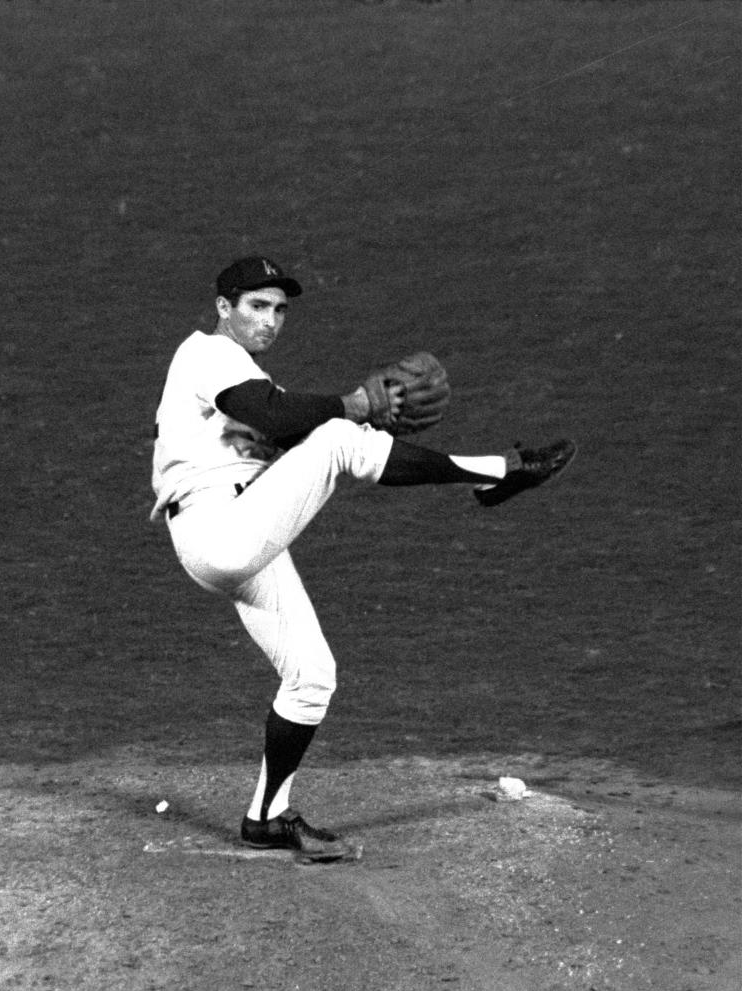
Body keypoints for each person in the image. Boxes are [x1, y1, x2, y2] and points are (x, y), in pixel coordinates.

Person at [151, 255, 576, 861]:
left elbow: (282, 422)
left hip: (242, 527)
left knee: (311, 677)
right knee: (340, 436)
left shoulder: (235, 373)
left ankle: (266, 818)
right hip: (217, 531)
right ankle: (503, 470)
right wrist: (355, 405)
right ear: (224, 308)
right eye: (256, 307)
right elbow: (281, 415)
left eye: (279, 310)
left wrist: (365, 421)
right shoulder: (207, 354)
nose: (270, 321)